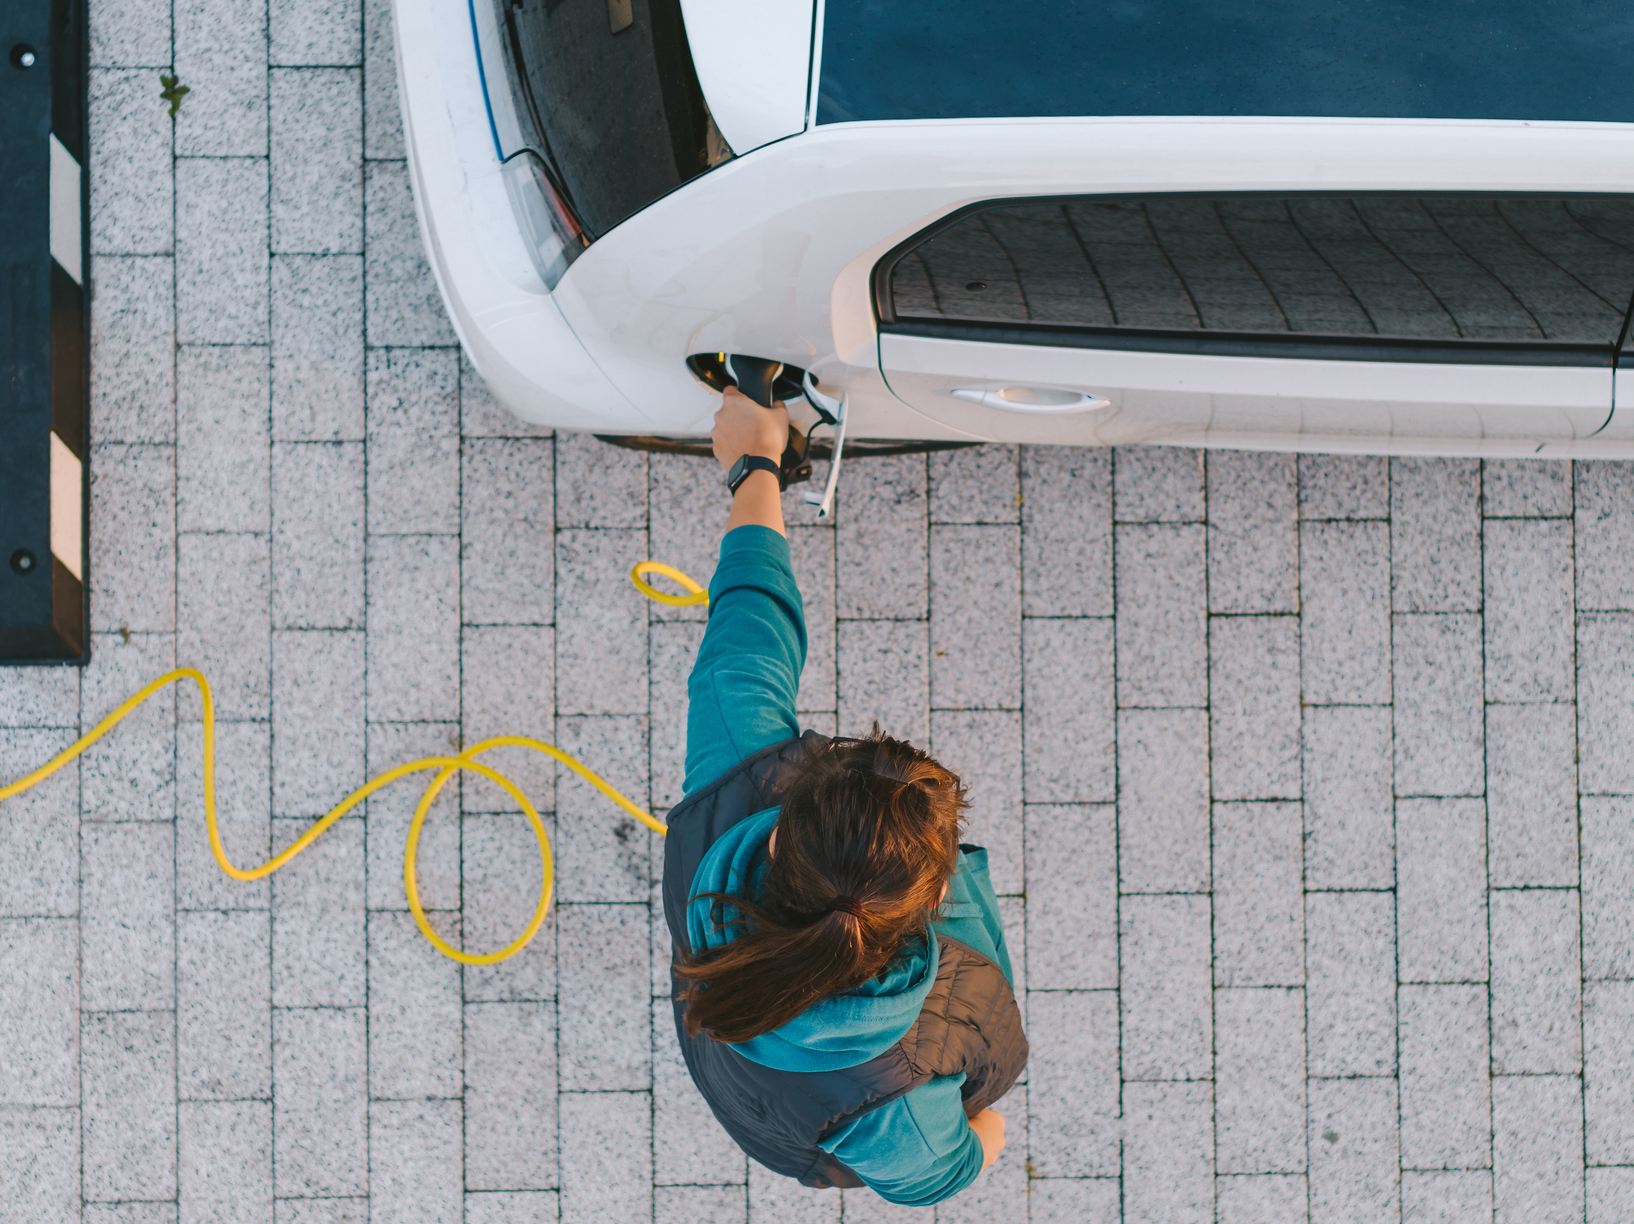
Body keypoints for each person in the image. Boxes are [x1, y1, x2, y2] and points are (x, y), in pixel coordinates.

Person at [658, 387, 1029, 1205]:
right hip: (784, 1109)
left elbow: (752, 638)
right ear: (935, 896)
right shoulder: (895, 1106)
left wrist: (757, 465)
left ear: (786, 833)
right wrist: (986, 1139)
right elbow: (946, 1173)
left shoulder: (737, 780)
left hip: (760, 1093)